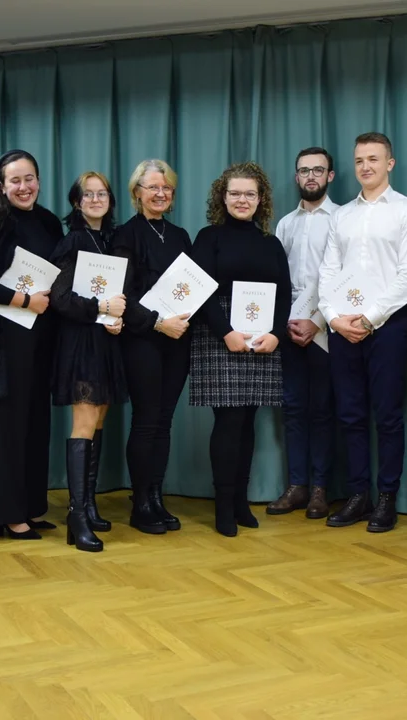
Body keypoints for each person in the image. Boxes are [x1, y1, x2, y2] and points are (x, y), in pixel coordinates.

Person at [317, 132, 407, 533]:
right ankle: (358, 495)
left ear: (390, 164)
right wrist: (334, 317)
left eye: (374, 159)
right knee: (350, 414)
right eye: (360, 159)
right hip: (342, 328)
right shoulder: (341, 215)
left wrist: (370, 318)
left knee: (388, 415)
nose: (366, 166)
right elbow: (327, 272)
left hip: (388, 327)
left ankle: (387, 499)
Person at [0, 150, 64, 541]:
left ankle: (32, 507)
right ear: (2, 186)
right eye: (15, 181)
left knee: (36, 425)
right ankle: (8, 515)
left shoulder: (49, 222)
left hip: (40, 340)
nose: (24, 187)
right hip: (1, 344)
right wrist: (23, 300)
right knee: (6, 430)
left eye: (30, 178)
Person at [189, 162, 292, 537]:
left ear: (260, 199)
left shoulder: (271, 243)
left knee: (248, 421)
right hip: (220, 336)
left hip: (262, 339)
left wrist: (278, 334)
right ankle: (222, 506)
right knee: (229, 421)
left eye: (250, 193)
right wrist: (226, 332)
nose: (242, 200)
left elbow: (283, 293)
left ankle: (240, 503)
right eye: (235, 193)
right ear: (223, 197)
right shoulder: (208, 237)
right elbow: (198, 292)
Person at [113, 160, 194, 534]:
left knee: (165, 420)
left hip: (178, 339)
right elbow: (123, 296)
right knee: (146, 421)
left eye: (167, 188)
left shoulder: (180, 235)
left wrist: (180, 320)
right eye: (152, 188)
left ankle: (156, 496)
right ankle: (140, 501)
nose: (160, 194)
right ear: (137, 193)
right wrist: (159, 323)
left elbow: (190, 288)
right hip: (143, 339)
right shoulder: (125, 235)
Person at [50, 171, 127, 552]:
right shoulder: (73, 242)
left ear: (110, 200)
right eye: (88, 194)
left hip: (106, 341)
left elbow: (115, 297)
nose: (96, 199)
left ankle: (90, 505)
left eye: (102, 194)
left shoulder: (109, 240)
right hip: (80, 343)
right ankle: (76, 516)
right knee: (83, 423)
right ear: (77, 202)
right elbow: (60, 299)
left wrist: (115, 318)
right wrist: (101, 307)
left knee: (98, 421)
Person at [265, 147, 339, 520]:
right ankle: (297, 487)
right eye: (304, 171)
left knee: (323, 410)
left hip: (326, 330)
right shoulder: (285, 225)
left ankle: (321, 490)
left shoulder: (343, 219)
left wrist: (318, 321)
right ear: (296, 177)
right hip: (289, 331)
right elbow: (280, 282)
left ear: (330, 176)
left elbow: (344, 280)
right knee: (292, 409)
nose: (311, 176)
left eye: (318, 170)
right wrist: (286, 325)